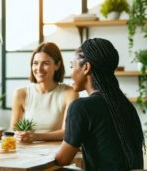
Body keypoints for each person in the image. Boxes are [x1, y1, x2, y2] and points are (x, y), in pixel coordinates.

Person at [55, 38, 145, 170]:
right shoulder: (125, 105)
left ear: (86, 67)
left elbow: (62, 159)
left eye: (72, 67)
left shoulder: (81, 107)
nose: (71, 73)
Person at [10, 42, 78, 143]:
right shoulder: (20, 93)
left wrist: (35, 136)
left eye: (45, 63)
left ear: (57, 65)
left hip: (56, 153)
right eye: (35, 63)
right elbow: (14, 130)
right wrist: (20, 136)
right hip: (26, 151)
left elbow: (67, 132)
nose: (39, 68)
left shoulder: (70, 92)